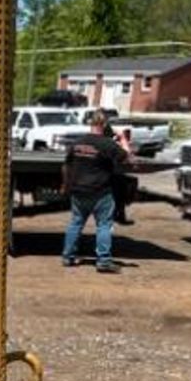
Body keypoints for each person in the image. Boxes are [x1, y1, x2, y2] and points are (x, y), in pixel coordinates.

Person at [60, 110, 129, 274]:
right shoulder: (107, 144)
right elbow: (125, 157)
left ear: (90, 124)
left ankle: (68, 257)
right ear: (104, 125)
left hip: (78, 190)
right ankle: (103, 261)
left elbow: (66, 165)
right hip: (100, 192)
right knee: (104, 226)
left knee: (76, 223)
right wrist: (123, 139)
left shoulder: (78, 143)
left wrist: (65, 185)